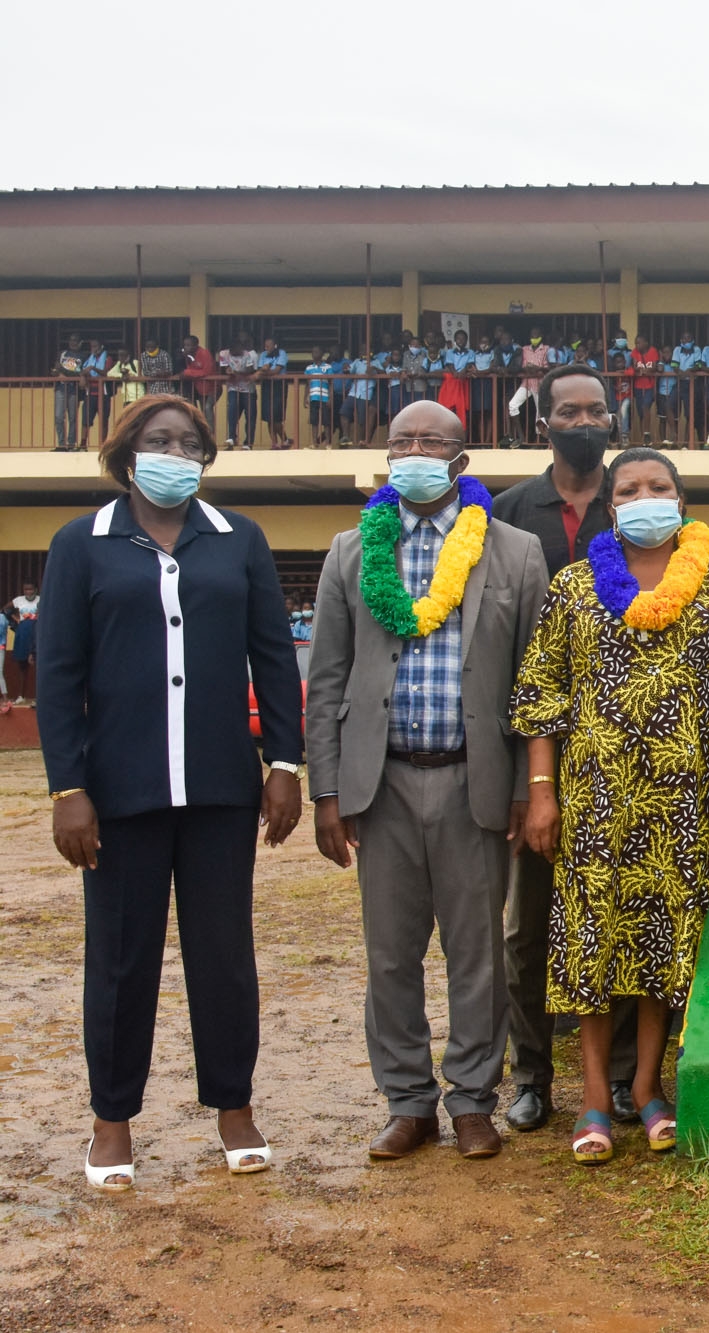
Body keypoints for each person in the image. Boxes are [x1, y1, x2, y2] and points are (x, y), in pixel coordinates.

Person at [39, 395, 303, 1189]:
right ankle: (112, 1121)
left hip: (223, 786)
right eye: (159, 440)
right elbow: (58, 675)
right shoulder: (81, 544)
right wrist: (69, 788)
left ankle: (235, 1109)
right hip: (118, 795)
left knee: (225, 958)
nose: (175, 452)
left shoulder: (239, 540)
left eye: (189, 442)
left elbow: (273, 657)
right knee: (121, 961)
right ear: (127, 454)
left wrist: (284, 764)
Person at [513, 445, 709, 1163]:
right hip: (593, 804)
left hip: (680, 805)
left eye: (658, 485)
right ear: (611, 507)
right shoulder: (574, 586)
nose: (644, 496)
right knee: (592, 946)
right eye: (628, 488)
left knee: (666, 944)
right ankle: (594, 1095)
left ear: (682, 499)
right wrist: (542, 793)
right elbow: (541, 696)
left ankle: (647, 1086)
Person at [306, 400, 550, 1163]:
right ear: (386, 456)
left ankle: (474, 1101)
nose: (414, 450)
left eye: (431, 441)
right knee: (390, 954)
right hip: (380, 784)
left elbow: (535, 683)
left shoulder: (514, 552)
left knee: (477, 951)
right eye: (401, 440)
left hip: (476, 782)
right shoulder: (351, 551)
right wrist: (325, 790)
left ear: (460, 460)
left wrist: (525, 784)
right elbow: (327, 678)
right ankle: (407, 1102)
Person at [490, 365, 642, 1132]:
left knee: (616, 912)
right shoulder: (510, 511)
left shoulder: (642, 497)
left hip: (629, 747)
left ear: (613, 420)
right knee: (530, 924)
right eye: (567, 410)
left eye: (596, 410)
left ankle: (617, 1078)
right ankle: (530, 1074)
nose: (582, 420)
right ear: (542, 421)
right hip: (534, 746)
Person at [220, 337, 258, 449]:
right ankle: (232, 437)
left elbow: (250, 370)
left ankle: (248, 443)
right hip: (233, 388)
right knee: (232, 411)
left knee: (250, 416)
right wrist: (228, 372)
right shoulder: (224, 353)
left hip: (248, 389)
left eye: (239, 349)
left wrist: (237, 372)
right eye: (235, 350)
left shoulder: (247, 354)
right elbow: (223, 369)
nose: (238, 352)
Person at [6, 582, 38, 703]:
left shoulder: (40, 600)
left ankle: (38, 696)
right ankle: (21, 695)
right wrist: (16, 619)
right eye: (26, 590)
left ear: (35, 589)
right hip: (23, 634)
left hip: (35, 633)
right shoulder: (18, 600)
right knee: (22, 666)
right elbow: (6, 609)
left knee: (37, 666)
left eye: (31, 589)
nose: (28, 592)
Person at [53, 334, 86, 452]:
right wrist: (57, 372)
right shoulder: (63, 354)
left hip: (74, 389)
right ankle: (61, 444)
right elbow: (55, 369)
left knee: (73, 417)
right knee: (58, 417)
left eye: (75, 340)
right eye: (71, 340)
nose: (73, 343)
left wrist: (64, 372)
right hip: (61, 388)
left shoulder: (83, 356)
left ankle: (71, 444)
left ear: (80, 342)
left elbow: (80, 373)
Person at [258, 336, 292, 449]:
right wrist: (265, 372)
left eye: (268, 345)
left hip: (279, 385)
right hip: (267, 386)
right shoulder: (263, 355)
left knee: (276, 417)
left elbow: (277, 370)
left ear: (275, 345)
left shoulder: (281, 353)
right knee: (269, 417)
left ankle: (285, 439)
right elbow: (260, 370)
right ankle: (275, 444)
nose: (266, 347)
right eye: (265, 345)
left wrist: (265, 371)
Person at [305, 348, 336, 448]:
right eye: (313, 352)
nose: (315, 353)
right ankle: (314, 443)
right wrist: (305, 397)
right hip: (313, 397)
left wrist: (331, 398)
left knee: (326, 421)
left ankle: (328, 442)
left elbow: (331, 383)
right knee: (314, 421)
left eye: (317, 351)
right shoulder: (309, 368)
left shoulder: (328, 367)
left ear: (322, 354)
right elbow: (307, 383)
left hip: (325, 397)